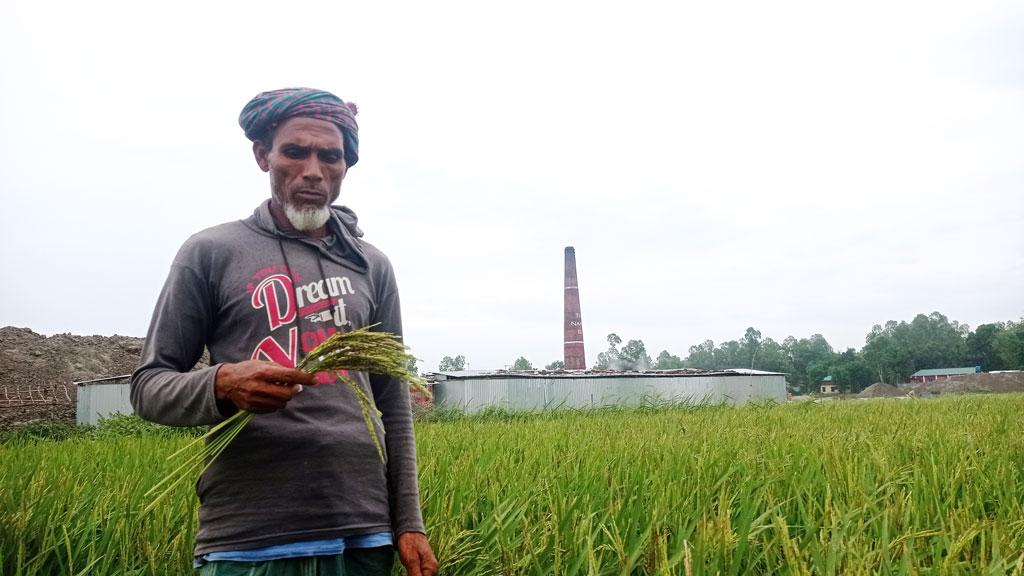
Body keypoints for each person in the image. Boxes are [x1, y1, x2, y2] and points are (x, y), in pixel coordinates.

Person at [131, 88, 438, 576]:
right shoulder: (211, 252)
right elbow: (148, 386)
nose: (313, 170)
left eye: (330, 156)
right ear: (262, 156)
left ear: (345, 165)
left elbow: (392, 401)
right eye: (295, 152)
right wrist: (221, 382)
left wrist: (409, 522)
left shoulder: (371, 264)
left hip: (365, 530)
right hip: (250, 536)